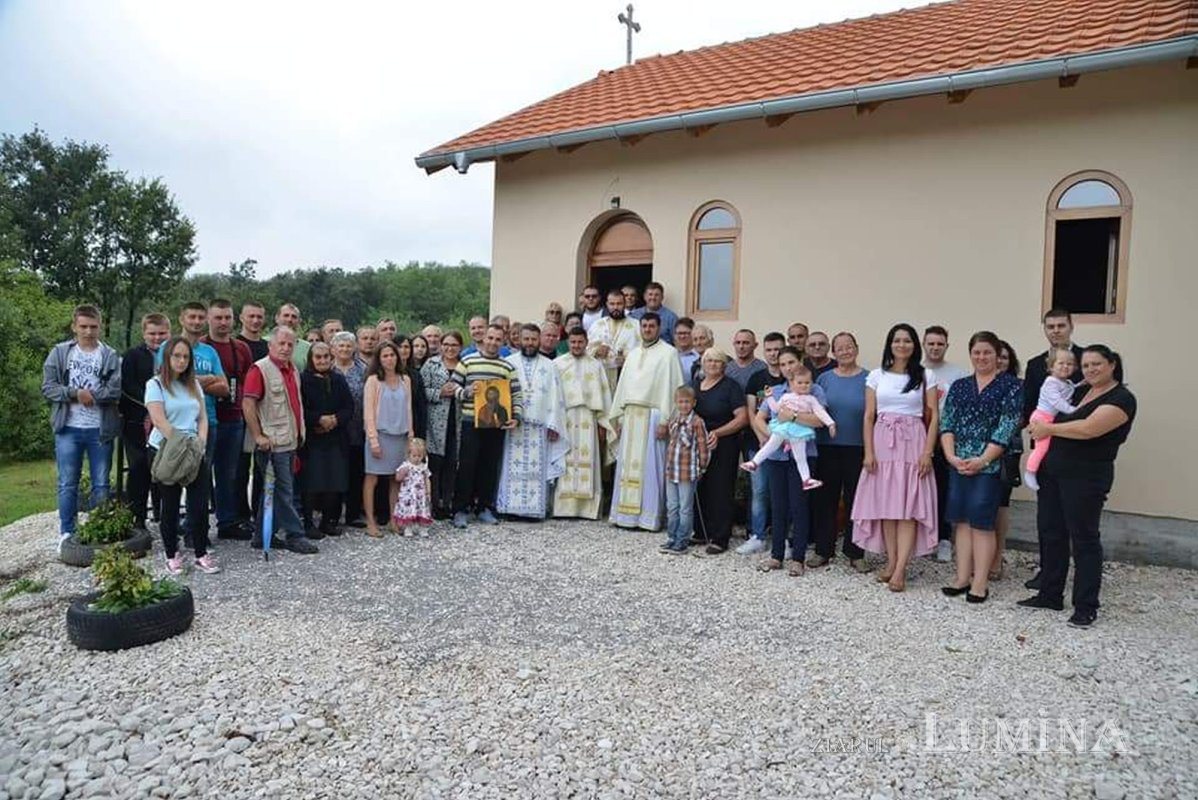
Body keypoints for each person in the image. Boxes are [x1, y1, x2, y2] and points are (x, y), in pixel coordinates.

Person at [1018, 345, 1135, 628]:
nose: (1091, 369)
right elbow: (1049, 409)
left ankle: (1085, 605)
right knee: (1051, 532)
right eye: (1086, 365)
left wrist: (1050, 430)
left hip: (1085, 478)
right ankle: (1050, 594)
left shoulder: (1121, 398)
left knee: (1083, 539)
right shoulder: (1079, 391)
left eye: (1097, 364)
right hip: (1053, 473)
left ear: (1112, 364)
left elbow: (1089, 428)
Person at [851, 323, 939, 592]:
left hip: (913, 442)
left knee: (908, 509)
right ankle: (890, 562)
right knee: (887, 508)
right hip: (882, 441)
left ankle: (901, 569)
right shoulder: (876, 376)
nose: (902, 345)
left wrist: (928, 451)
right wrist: (868, 451)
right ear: (890, 344)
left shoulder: (926, 375)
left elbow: (934, 415)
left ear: (915, 345)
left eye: (908, 341)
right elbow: (868, 416)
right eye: (897, 340)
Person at [939, 331, 1022, 604]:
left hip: (988, 466)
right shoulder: (961, 385)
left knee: (982, 523)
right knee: (961, 522)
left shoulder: (1011, 386)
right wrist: (951, 456)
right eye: (977, 352)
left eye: (987, 352)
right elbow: (947, 421)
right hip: (959, 463)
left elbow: (1007, 426)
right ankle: (962, 577)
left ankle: (980, 582)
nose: (981, 357)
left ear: (997, 355)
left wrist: (983, 459)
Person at [42, 304, 122, 550]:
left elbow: (115, 389)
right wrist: (75, 393)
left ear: (101, 327)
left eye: (93, 327)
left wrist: (92, 395)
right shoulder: (60, 353)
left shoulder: (110, 355)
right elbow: (48, 387)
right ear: (74, 327)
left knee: (101, 484)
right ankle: (67, 532)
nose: (88, 331)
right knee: (68, 483)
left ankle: (99, 529)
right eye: (83, 326)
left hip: (100, 428)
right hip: (68, 427)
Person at [1022, 309, 1086, 592]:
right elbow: (1030, 405)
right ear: (1044, 329)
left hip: (1078, 446)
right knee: (1048, 519)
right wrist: (1033, 429)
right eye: (1051, 326)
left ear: (1071, 326)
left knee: (1079, 520)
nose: (1056, 330)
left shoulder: (1089, 359)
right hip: (1046, 446)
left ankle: (1083, 579)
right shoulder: (1036, 365)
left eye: (1061, 325)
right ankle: (1049, 574)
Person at [145, 336, 219, 575]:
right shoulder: (155, 385)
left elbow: (202, 417)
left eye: (185, 356)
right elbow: (159, 419)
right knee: (170, 504)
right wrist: (181, 443)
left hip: (193, 449)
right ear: (167, 358)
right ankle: (171, 554)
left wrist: (200, 443)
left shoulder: (194, 385)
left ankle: (200, 552)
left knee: (198, 505)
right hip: (167, 448)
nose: (181, 360)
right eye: (176, 355)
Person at [752, 347, 827, 576]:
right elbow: (759, 417)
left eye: (791, 362)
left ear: (800, 361)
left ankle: (798, 558)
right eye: (783, 364)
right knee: (778, 505)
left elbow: (819, 420)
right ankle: (776, 555)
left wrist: (793, 417)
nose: (787, 368)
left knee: (799, 506)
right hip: (776, 456)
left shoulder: (814, 390)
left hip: (802, 455)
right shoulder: (775, 391)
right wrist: (768, 436)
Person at [243, 327, 318, 554]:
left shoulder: (292, 369)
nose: (285, 348)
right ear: (271, 345)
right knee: (284, 491)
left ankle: (261, 535)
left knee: (274, 492)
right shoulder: (260, 369)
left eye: (290, 344)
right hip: (272, 444)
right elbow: (248, 404)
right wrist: (258, 435)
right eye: (281, 344)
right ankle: (296, 535)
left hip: (290, 440)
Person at [609, 313, 684, 531]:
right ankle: (623, 516)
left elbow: (673, 388)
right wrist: (620, 417)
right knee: (626, 468)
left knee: (652, 469)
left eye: (652, 326)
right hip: (631, 417)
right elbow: (623, 387)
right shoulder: (633, 354)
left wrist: (666, 420)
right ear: (640, 328)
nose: (648, 329)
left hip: (653, 417)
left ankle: (649, 518)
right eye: (644, 326)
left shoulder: (669, 354)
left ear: (659, 328)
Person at [451, 324, 523, 528]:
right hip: (470, 421)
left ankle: (484, 508)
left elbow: (516, 393)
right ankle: (460, 509)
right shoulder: (467, 361)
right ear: (483, 338)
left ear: (503, 342)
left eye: (497, 339)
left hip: (496, 424)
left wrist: (516, 416)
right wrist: (466, 392)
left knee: (489, 466)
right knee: (466, 466)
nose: (492, 343)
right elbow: (452, 385)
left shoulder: (507, 367)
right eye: (490, 338)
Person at [496, 324, 569, 519]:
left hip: (539, 426)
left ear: (539, 340)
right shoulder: (508, 362)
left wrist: (554, 425)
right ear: (519, 340)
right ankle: (509, 508)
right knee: (511, 466)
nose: (529, 343)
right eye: (526, 339)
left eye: (533, 340)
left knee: (537, 468)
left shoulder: (550, 365)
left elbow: (556, 396)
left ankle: (533, 510)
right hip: (514, 424)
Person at [810, 332, 869, 571]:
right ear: (834, 352)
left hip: (858, 447)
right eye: (840, 348)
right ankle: (823, 549)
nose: (845, 351)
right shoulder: (824, 379)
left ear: (856, 348)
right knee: (826, 499)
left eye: (849, 347)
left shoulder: (869, 378)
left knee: (857, 499)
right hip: (827, 447)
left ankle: (856, 552)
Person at [203, 299, 254, 541]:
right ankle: (198, 525)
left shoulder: (241, 348)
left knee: (228, 475)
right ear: (208, 319)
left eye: (227, 317)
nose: (223, 322)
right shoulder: (200, 347)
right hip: (205, 420)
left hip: (234, 419)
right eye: (218, 318)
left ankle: (226, 522)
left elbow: (247, 381)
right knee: (200, 475)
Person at [553, 327, 616, 520]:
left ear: (586, 342)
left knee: (589, 461)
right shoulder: (558, 364)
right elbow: (554, 397)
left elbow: (604, 396)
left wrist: (603, 424)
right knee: (566, 458)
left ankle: (588, 509)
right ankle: (564, 508)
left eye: (580, 342)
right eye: (573, 342)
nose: (577, 345)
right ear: (568, 342)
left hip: (589, 418)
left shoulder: (595, 365)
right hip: (567, 418)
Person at [690, 348, 748, 554]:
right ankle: (701, 531)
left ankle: (720, 537)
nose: (713, 364)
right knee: (700, 486)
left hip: (723, 444)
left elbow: (742, 417)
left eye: (717, 361)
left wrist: (718, 433)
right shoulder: (695, 386)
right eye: (709, 360)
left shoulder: (730, 387)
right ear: (703, 364)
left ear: (724, 365)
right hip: (699, 444)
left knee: (720, 489)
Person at [741, 366, 835, 489]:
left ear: (811, 383)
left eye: (807, 383)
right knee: (771, 444)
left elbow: (821, 413)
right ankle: (754, 463)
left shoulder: (811, 399)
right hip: (783, 427)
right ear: (793, 383)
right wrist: (769, 397)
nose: (803, 386)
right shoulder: (786, 397)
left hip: (799, 430)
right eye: (800, 383)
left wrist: (830, 424)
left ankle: (806, 479)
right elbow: (775, 409)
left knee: (800, 456)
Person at [738, 332, 788, 556]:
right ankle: (757, 536)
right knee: (759, 491)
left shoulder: (790, 378)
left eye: (778, 349)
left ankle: (784, 539)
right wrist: (762, 436)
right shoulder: (757, 378)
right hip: (757, 442)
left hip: (786, 445)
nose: (774, 354)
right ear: (763, 351)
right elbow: (751, 411)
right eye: (769, 350)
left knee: (783, 494)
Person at [119, 313, 170, 530]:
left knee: (166, 469)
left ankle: (166, 515)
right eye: (152, 333)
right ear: (144, 334)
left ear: (169, 332)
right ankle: (137, 517)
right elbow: (127, 385)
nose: (157, 338)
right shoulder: (132, 356)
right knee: (139, 468)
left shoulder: (174, 355)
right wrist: (152, 404)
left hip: (168, 421)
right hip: (138, 421)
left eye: (162, 333)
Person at [924, 325, 969, 562]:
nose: (935, 347)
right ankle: (922, 538)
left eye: (939, 343)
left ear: (946, 346)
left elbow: (962, 411)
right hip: (917, 440)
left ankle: (943, 538)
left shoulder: (958, 374)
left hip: (945, 441)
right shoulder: (915, 371)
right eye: (931, 343)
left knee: (942, 490)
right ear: (924, 344)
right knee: (919, 491)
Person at [300, 342, 353, 538]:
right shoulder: (303, 380)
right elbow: (300, 408)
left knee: (335, 481)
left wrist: (335, 420)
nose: (322, 360)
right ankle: (308, 523)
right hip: (313, 439)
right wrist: (318, 419)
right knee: (312, 483)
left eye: (326, 357)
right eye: (318, 357)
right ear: (311, 359)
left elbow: (349, 406)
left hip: (336, 438)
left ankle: (328, 521)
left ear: (331, 358)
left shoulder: (338, 380)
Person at [362, 340, 413, 538]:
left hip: (399, 436)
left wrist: (410, 436)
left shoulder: (405, 380)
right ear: (379, 359)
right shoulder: (373, 381)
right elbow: (368, 414)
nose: (389, 359)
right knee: (372, 478)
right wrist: (373, 440)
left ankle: (394, 519)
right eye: (385, 356)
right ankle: (371, 522)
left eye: (392, 355)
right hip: (380, 435)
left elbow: (408, 410)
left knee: (396, 479)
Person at [1022, 348, 1084, 490]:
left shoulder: (1066, 382)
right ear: (1051, 367)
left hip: (1051, 419)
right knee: (1041, 448)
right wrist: (1072, 411)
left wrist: (1081, 384)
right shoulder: (1050, 382)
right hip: (1042, 418)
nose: (1065, 366)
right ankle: (1030, 472)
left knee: (1049, 448)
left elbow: (1071, 388)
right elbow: (1057, 402)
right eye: (1061, 363)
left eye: (1069, 364)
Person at [661, 386, 710, 554]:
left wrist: (702, 466)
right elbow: (671, 444)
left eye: (687, 402)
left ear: (694, 403)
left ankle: (682, 540)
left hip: (687, 472)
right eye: (681, 402)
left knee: (685, 507)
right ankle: (671, 537)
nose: (684, 405)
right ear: (676, 403)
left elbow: (703, 447)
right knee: (672, 506)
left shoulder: (697, 422)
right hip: (672, 470)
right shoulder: (674, 421)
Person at [421, 330, 464, 519]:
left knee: (452, 463)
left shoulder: (466, 365)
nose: (449, 348)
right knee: (435, 464)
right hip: (436, 422)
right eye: (446, 344)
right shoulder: (431, 364)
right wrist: (439, 393)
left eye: (454, 345)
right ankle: (434, 504)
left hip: (458, 421)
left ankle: (449, 504)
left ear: (460, 347)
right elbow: (420, 391)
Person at [235, 301, 270, 525]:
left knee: (261, 468)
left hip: (264, 413)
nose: (255, 320)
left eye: (259, 316)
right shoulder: (236, 345)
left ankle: (259, 513)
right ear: (242, 318)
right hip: (240, 413)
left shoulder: (268, 346)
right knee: (239, 467)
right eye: (251, 316)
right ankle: (239, 514)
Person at [991, 340, 1023, 581]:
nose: (999, 361)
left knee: (1000, 505)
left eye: (1004, 357)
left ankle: (996, 556)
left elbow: (1017, 419)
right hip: (976, 452)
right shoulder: (975, 384)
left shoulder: (1018, 387)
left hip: (1007, 452)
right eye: (996, 356)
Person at [331, 331, 368, 527]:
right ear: (333, 349)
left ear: (354, 348)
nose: (345, 349)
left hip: (357, 428)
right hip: (334, 429)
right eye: (341, 346)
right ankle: (333, 514)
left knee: (355, 471)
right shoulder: (328, 369)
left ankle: (353, 514)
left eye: (348, 345)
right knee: (336, 472)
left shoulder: (363, 370)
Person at [587, 289, 639, 388]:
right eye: (612, 304)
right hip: (601, 377)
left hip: (626, 377)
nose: (615, 307)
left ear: (624, 304)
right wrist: (596, 351)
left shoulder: (636, 326)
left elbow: (642, 352)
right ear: (607, 304)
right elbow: (585, 349)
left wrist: (628, 359)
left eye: (619, 304)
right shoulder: (597, 325)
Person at [392, 438, 433, 536]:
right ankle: (408, 527)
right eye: (414, 455)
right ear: (408, 454)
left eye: (419, 456)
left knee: (422, 510)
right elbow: (397, 478)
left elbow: (427, 478)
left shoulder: (423, 467)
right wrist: (402, 472)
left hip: (420, 494)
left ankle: (422, 527)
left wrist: (428, 491)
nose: (417, 458)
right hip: (408, 494)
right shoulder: (405, 465)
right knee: (408, 510)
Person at [394, 335, 428, 438]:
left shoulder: (415, 375)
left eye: (406, 347)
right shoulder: (386, 374)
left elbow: (421, 405)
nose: (403, 350)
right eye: (399, 347)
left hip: (413, 425)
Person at [275, 304, 311, 370]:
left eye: (294, 317)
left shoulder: (308, 348)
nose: (289, 320)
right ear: (277, 318)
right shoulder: (265, 342)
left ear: (299, 321)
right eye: (286, 315)